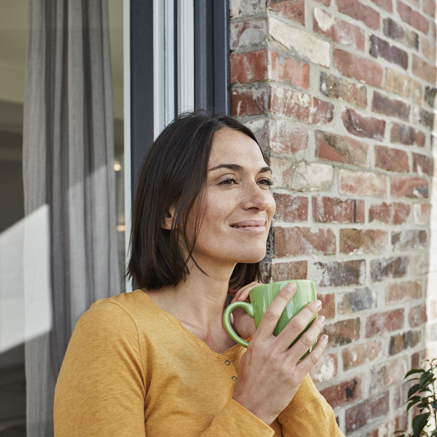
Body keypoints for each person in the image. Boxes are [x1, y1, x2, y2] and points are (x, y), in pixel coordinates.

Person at [54, 110, 344, 436]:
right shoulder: (116, 331)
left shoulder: (251, 334)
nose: (261, 199)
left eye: (263, 181)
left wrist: (280, 353)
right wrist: (253, 408)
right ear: (169, 211)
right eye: (228, 181)